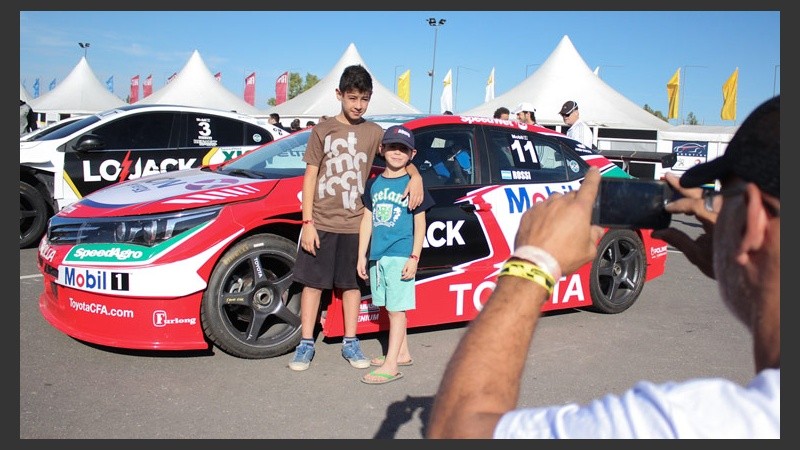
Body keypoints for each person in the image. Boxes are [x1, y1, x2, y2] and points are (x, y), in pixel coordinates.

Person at [427, 95, 780, 438]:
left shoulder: (696, 423)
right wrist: (752, 268)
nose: (712, 207)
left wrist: (532, 262)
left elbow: (457, 428)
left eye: (722, 195)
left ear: (753, 218)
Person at [288, 64, 425, 372]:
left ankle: (351, 341)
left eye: (363, 99)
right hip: (321, 222)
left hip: (356, 225)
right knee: (313, 285)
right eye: (352, 98)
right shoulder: (322, 130)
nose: (357, 105)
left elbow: (398, 156)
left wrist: (415, 176)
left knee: (351, 286)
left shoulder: (375, 132)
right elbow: (309, 177)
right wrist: (307, 222)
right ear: (339, 95)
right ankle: (305, 343)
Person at [357, 125, 435, 384]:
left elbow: (420, 224)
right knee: (389, 306)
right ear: (382, 150)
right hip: (378, 255)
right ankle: (402, 353)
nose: (397, 152)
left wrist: (414, 258)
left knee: (396, 311)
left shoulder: (413, 185)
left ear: (412, 153)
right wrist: (362, 256)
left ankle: (391, 365)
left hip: (401, 253)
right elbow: (367, 219)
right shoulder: (374, 184)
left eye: (403, 148)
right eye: (392, 147)